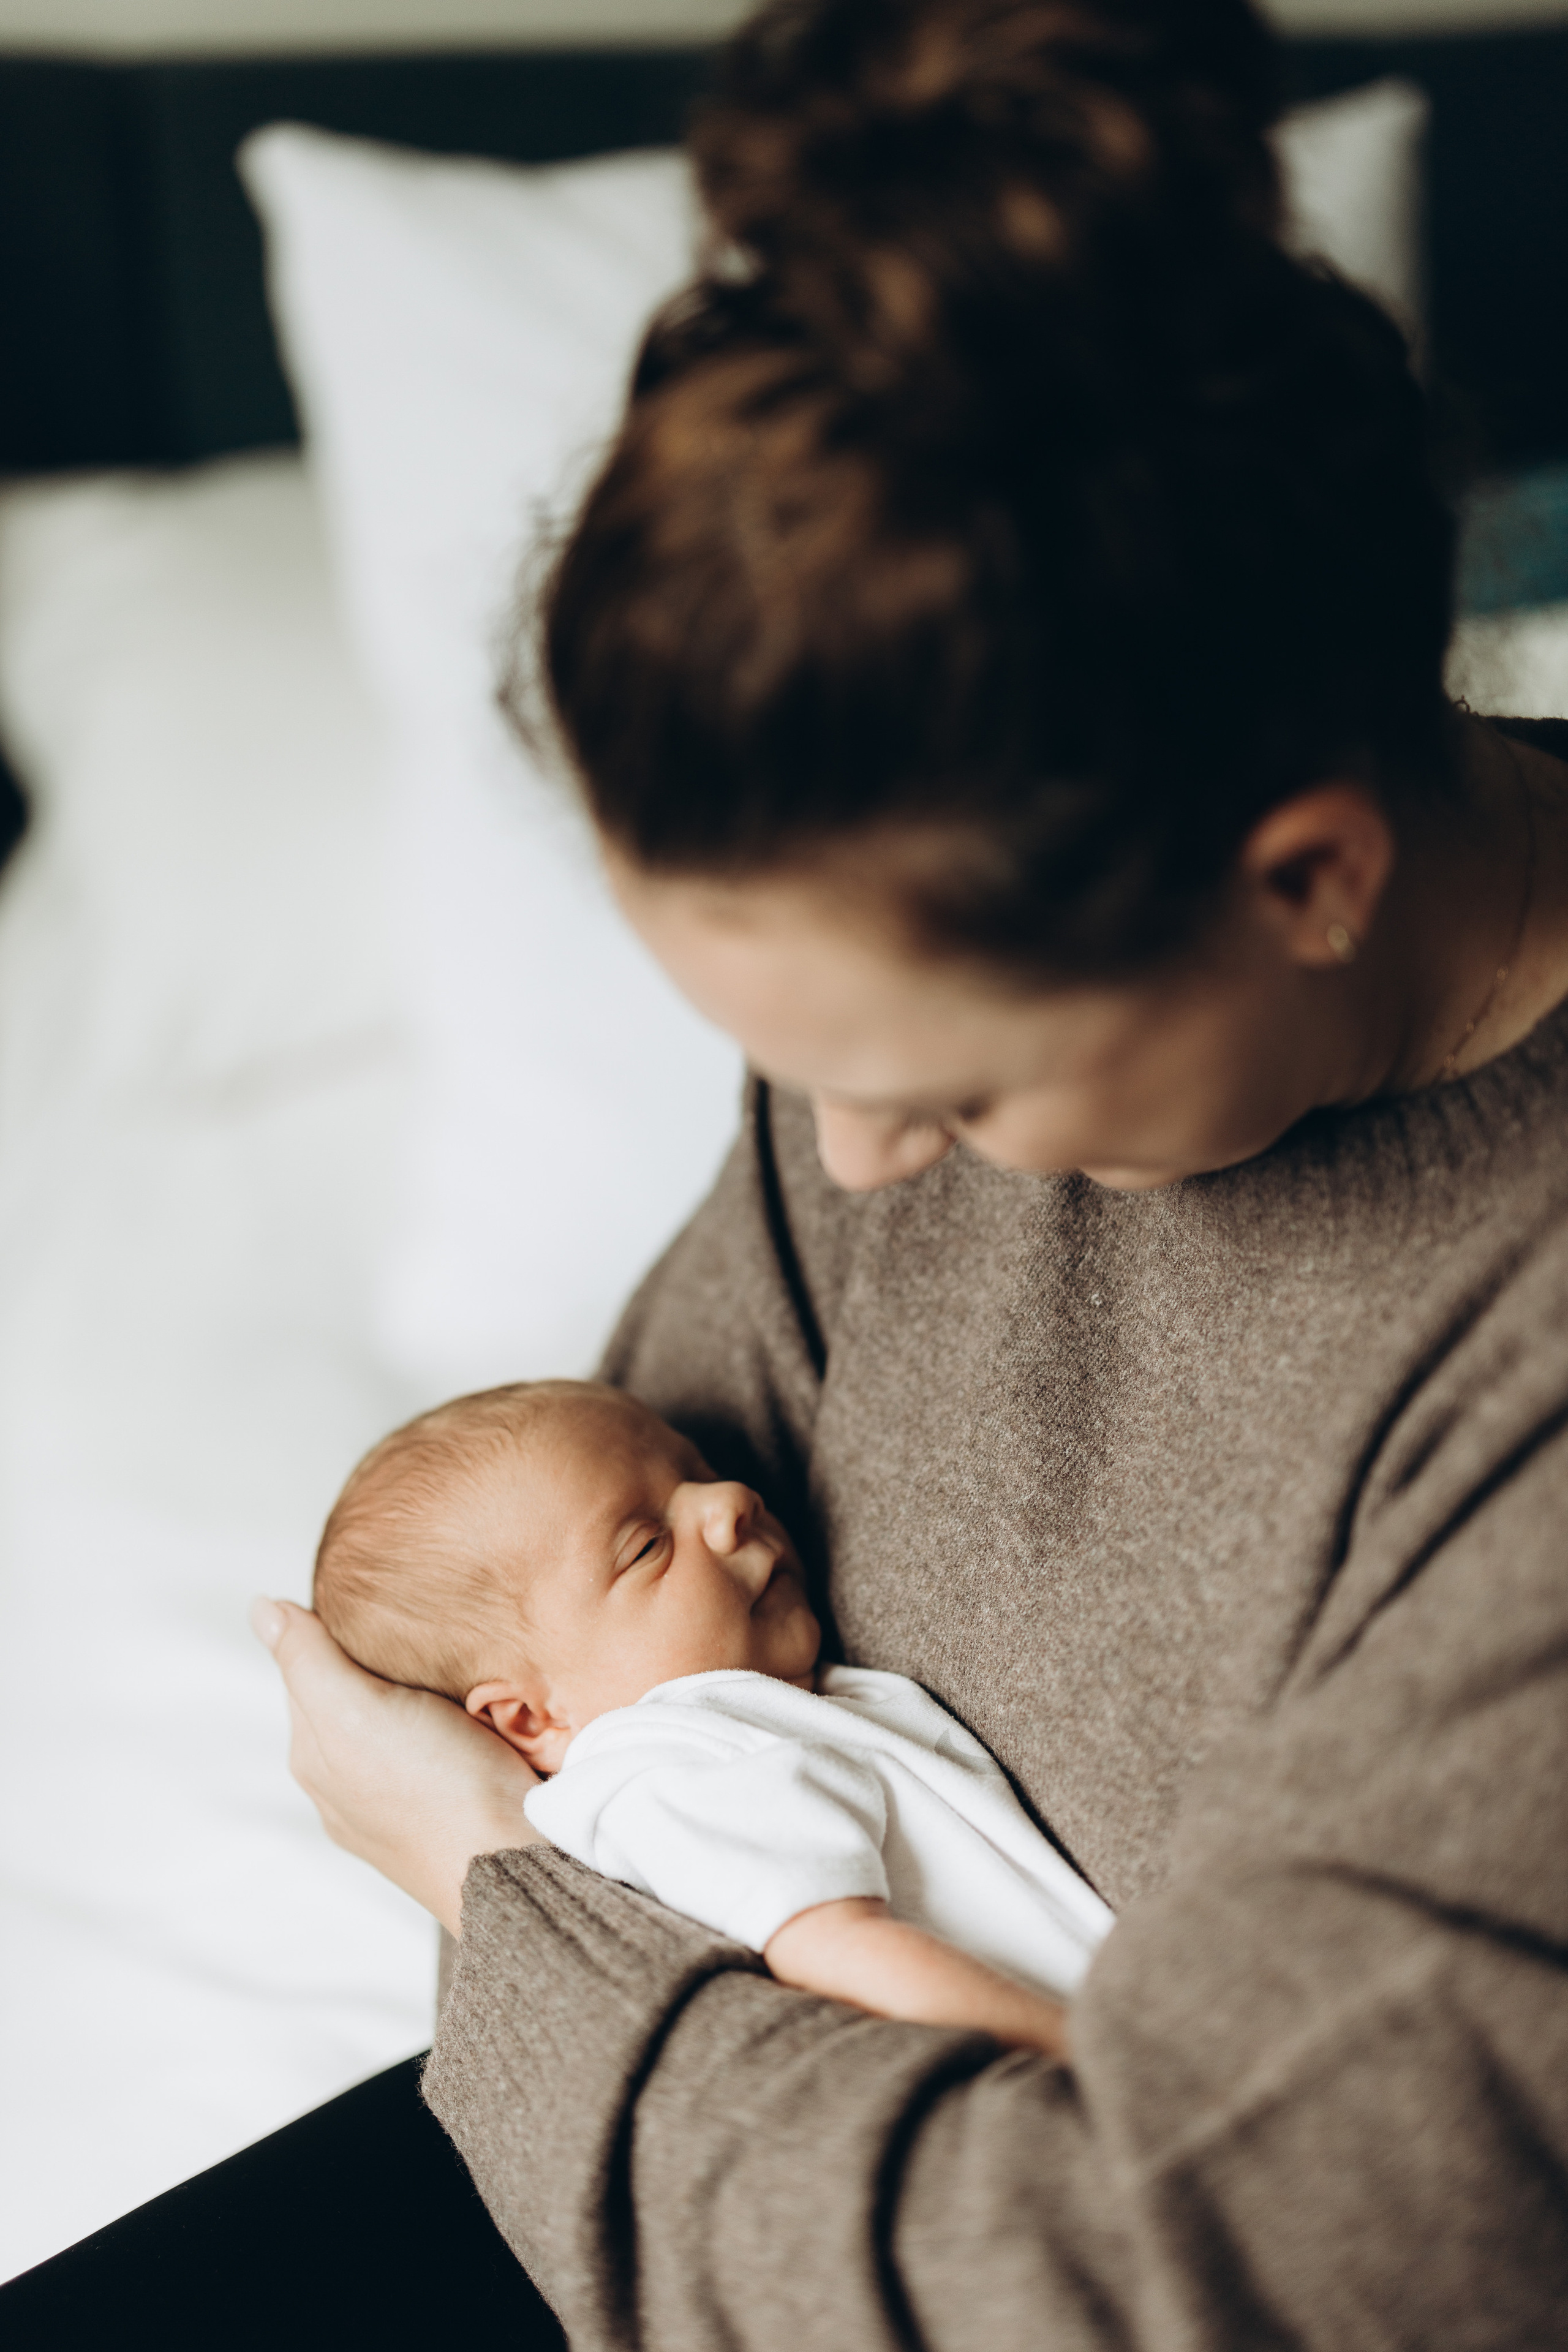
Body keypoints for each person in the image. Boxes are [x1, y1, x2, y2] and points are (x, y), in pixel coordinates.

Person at [7, 0, 1567, 2342]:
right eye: (782, 1065)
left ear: (1311, 878)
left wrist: (480, 1876)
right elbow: (608, 1649)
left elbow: (1172, 2274)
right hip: (725, 2155)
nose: (849, 1167)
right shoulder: (921, 1013)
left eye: (945, 1088)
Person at [308, 1377, 1111, 2050]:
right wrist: (1097, 2056)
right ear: (527, 1720)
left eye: (699, 1473)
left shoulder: (746, 1720)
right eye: (645, 1546)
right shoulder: (664, 1763)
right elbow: (842, 1956)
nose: (731, 1500)